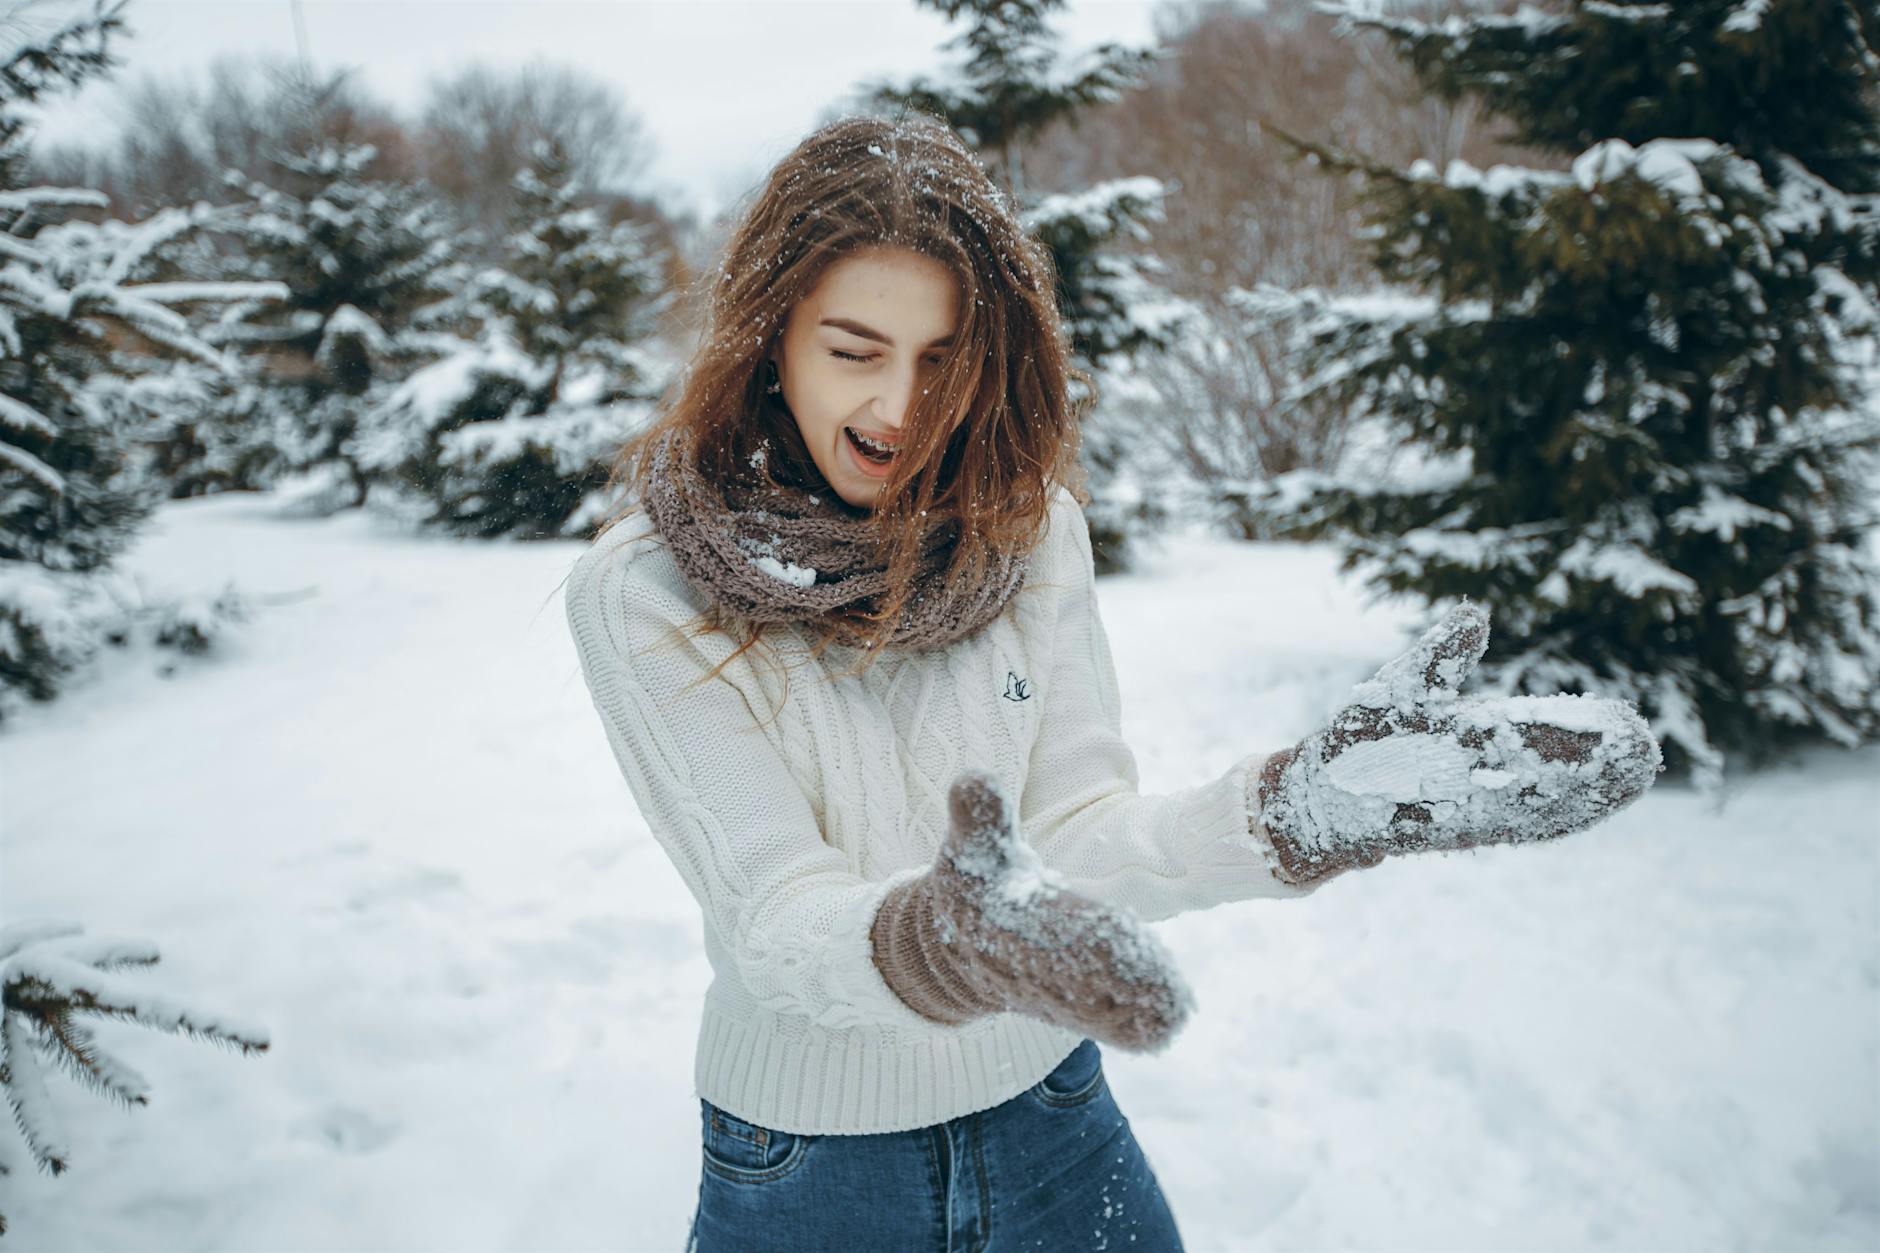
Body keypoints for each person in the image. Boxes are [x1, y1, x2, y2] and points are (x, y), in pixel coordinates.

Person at [563, 113, 1662, 1253]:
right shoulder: (648, 590)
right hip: (812, 1167)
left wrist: (1286, 813)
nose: (900, 408)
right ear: (768, 339)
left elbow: (1078, 827)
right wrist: (938, 940)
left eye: (943, 361)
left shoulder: (1026, 537)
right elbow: (771, 916)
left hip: (1051, 1116)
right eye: (852, 351)